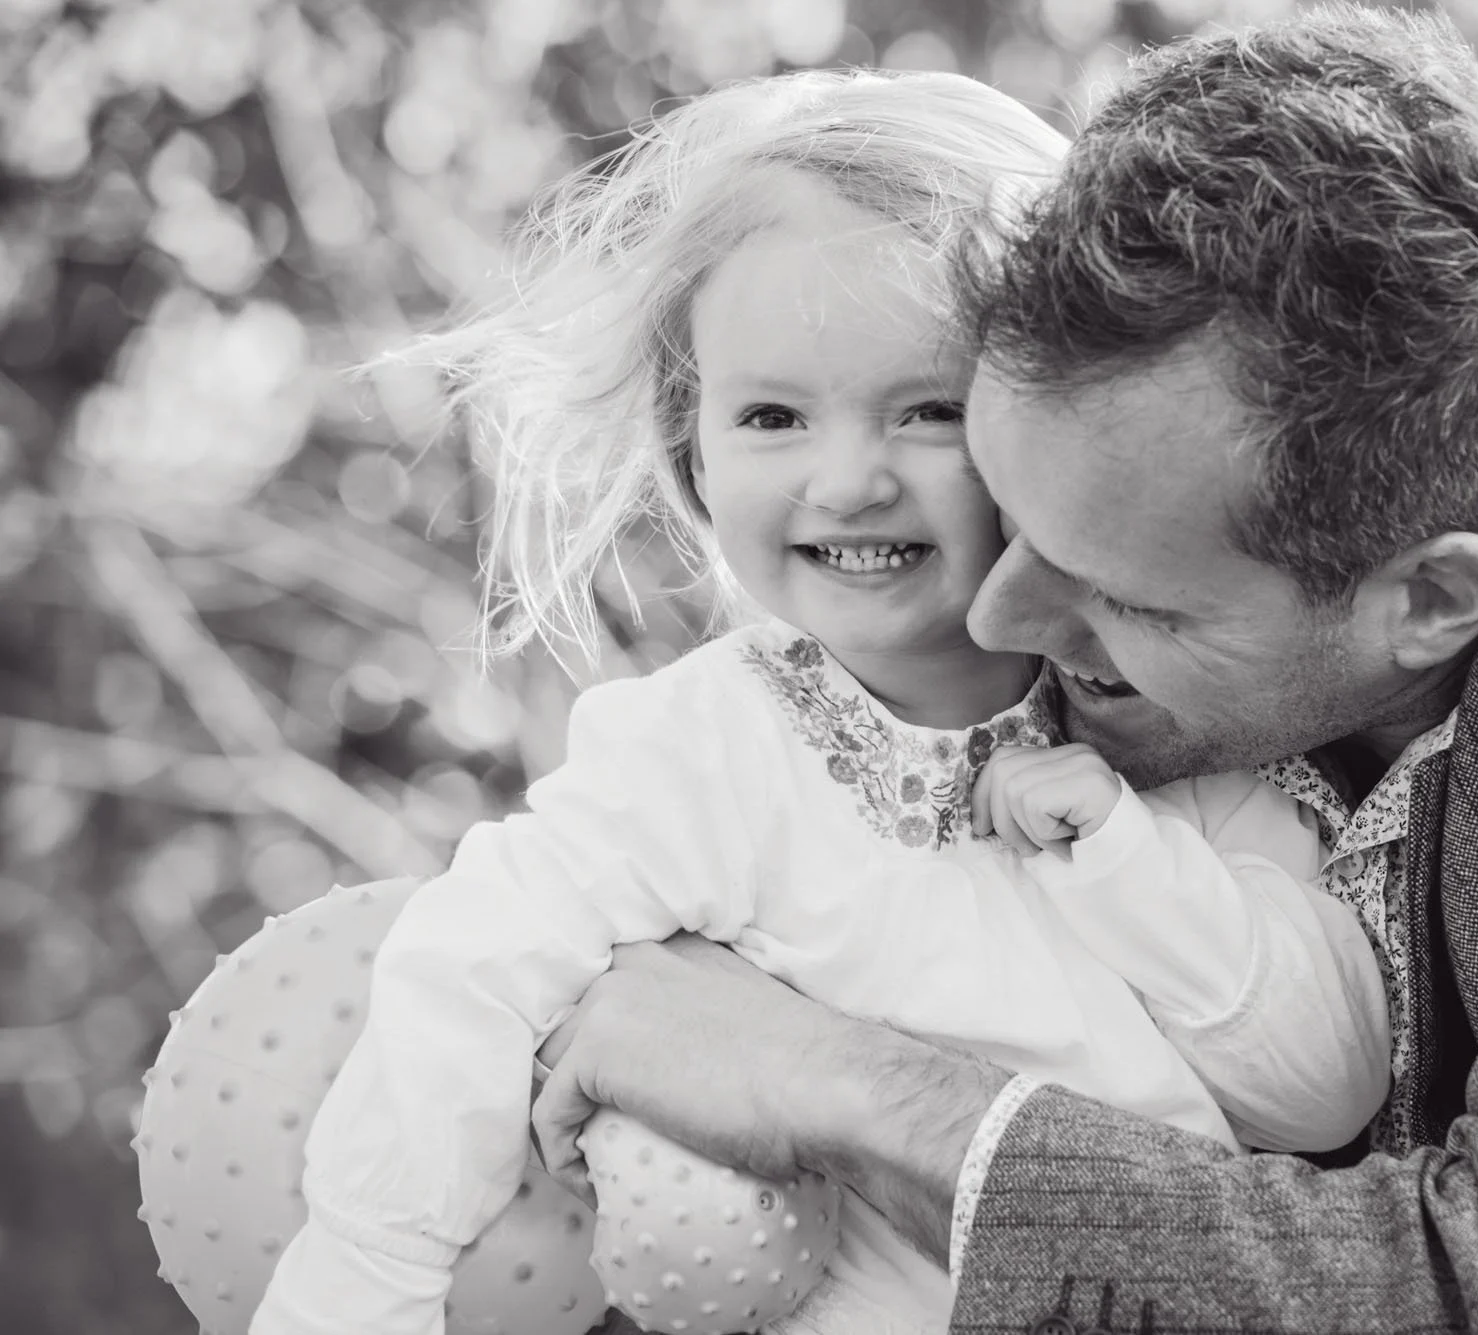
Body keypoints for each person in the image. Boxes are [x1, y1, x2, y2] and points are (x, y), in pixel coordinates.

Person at [529, 7, 1478, 1333]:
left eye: (1120, 596)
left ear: (1427, 602)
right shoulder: (1284, 364)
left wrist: (828, 1079)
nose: (1000, 618)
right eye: (1009, 515)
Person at [250, 67, 1395, 1335]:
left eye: (929, 411)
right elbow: (469, 970)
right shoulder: (701, 753)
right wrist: (363, 1286)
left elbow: (1329, 1092)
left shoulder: (1173, 721)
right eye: (772, 416)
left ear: (1056, 426)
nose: (846, 483)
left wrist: (1127, 866)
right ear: (692, 452)